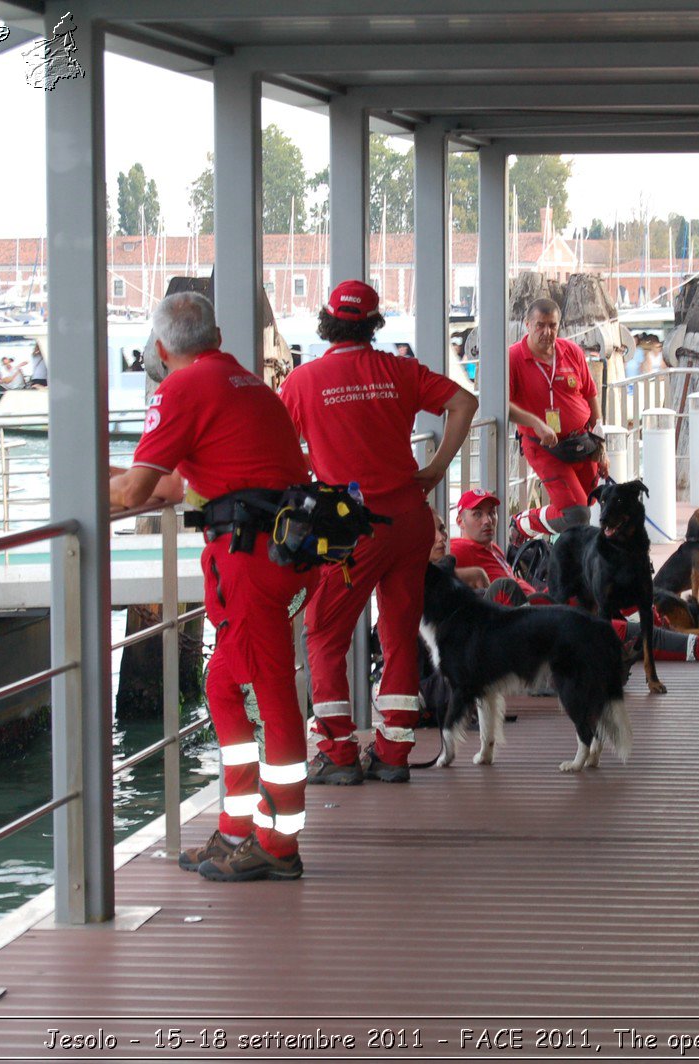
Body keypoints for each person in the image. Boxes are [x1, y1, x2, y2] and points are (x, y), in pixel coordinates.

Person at [109, 292, 315, 882]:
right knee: (222, 686)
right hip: (277, 551)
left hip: (251, 562)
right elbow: (181, 486)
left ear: (159, 347)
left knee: (273, 700)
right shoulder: (243, 382)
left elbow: (137, 492)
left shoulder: (181, 388)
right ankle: (236, 827)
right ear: (217, 334)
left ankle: (278, 846)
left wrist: (74, 490)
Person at [281, 280, 479, 785]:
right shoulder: (400, 370)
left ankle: (339, 752)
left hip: (350, 531)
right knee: (397, 633)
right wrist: (435, 467)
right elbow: (465, 403)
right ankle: (393, 752)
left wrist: (314, 463)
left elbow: (280, 453)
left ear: (327, 322)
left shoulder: (303, 382)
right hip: (408, 522)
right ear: (374, 325)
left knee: (324, 634)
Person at [447, 489, 699, 662]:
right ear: (460, 520)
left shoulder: (489, 548)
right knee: (634, 632)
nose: (488, 520)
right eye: (477, 514)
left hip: (550, 602)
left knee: (630, 599)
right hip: (539, 621)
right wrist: (470, 574)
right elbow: (433, 575)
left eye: (491, 513)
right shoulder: (459, 548)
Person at [507, 297, 604, 543]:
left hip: (582, 441)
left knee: (590, 500)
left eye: (552, 325)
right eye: (540, 325)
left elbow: (591, 395)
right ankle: (525, 522)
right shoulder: (513, 358)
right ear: (527, 324)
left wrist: (601, 444)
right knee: (577, 513)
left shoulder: (571, 351)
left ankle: (558, 552)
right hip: (543, 446)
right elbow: (501, 404)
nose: (546, 332)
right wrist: (536, 423)